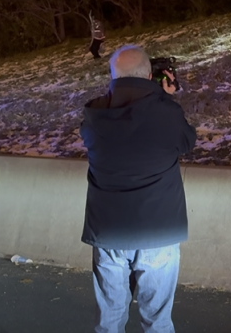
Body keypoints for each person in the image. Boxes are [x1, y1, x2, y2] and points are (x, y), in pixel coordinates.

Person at [80, 45, 196, 333]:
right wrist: (163, 96)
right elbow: (187, 142)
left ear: (112, 76)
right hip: (158, 229)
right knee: (157, 320)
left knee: (108, 319)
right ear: (149, 75)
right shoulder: (166, 113)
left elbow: (122, 111)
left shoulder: (94, 118)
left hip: (108, 231)